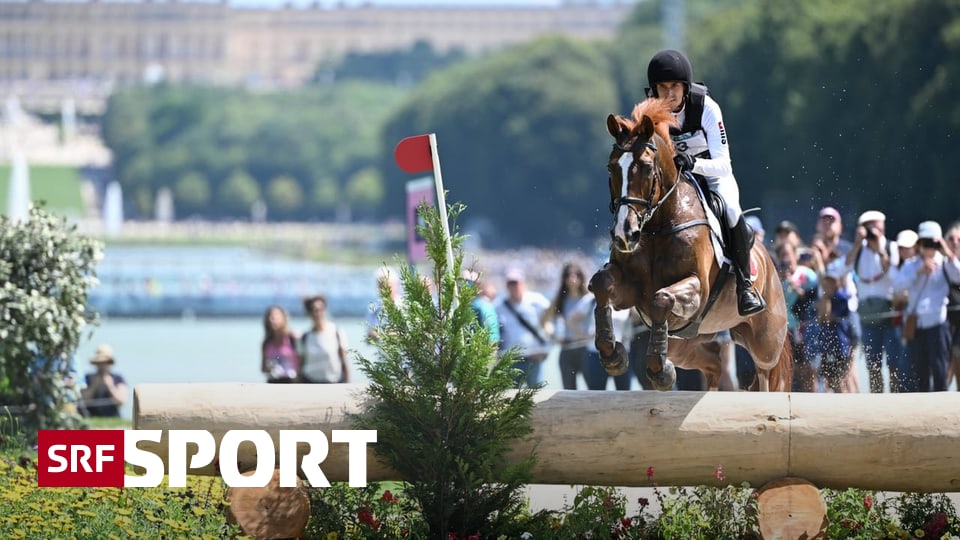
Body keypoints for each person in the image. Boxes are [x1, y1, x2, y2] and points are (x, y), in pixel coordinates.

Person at [645, 49, 764, 316]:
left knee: (731, 210)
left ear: (685, 86)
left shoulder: (707, 108)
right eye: (662, 87)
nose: (669, 93)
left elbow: (724, 164)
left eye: (674, 86)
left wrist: (694, 163)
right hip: (675, 181)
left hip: (711, 174)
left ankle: (745, 285)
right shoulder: (650, 113)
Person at [892, 221, 960, 392]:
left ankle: (941, 411)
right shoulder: (911, 265)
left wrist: (948, 253)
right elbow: (898, 287)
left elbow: (958, 277)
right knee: (919, 372)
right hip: (917, 326)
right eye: (925, 242)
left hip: (938, 324)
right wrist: (918, 272)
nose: (928, 246)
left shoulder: (946, 263)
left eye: (932, 242)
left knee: (940, 371)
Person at [844, 210, 906, 392]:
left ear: (883, 226)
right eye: (868, 225)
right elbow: (845, 268)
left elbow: (896, 278)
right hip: (867, 314)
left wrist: (880, 252)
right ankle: (876, 399)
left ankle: (895, 397)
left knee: (894, 362)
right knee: (873, 364)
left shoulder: (892, 247)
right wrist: (857, 244)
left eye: (876, 224)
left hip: (889, 312)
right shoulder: (859, 250)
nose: (872, 229)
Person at [495, 268, 551, 388]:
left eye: (516, 283)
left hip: (534, 356)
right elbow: (495, 331)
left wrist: (547, 345)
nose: (514, 287)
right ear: (506, 286)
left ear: (523, 284)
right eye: (511, 283)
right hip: (512, 359)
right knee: (510, 395)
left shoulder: (536, 300)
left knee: (537, 394)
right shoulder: (499, 306)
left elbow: (553, 317)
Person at [567, 291, 633, 390]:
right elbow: (572, 320)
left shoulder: (625, 299)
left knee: (624, 393)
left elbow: (639, 318)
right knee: (595, 392)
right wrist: (584, 335)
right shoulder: (591, 299)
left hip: (622, 353)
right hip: (596, 353)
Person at [540, 262, 589, 389]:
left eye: (576, 275)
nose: (573, 279)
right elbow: (544, 320)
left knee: (593, 390)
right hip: (566, 349)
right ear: (564, 278)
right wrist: (552, 335)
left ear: (581, 277)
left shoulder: (589, 298)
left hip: (586, 348)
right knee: (568, 391)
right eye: (569, 275)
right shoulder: (560, 299)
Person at [812, 265, 859, 393]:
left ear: (837, 282)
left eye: (831, 282)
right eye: (826, 282)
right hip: (828, 345)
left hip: (841, 346)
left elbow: (827, 317)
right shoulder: (827, 298)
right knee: (829, 381)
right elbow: (821, 319)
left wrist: (825, 299)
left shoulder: (841, 297)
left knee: (841, 380)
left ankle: (847, 407)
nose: (827, 285)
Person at [299, 295, 350, 384]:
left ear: (325, 310)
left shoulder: (336, 332)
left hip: (334, 381)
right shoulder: (305, 336)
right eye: (314, 310)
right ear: (309, 313)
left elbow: (344, 361)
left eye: (320, 309)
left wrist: (348, 383)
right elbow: (300, 364)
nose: (317, 313)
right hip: (310, 382)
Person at [80, 344, 128, 417]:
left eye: (105, 362)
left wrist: (110, 386)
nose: (101, 365)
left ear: (109, 363)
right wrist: (94, 386)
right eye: (99, 363)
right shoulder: (87, 378)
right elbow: (83, 400)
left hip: (113, 417)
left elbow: (121, 401)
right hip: (91, 416)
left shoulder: (118, 378)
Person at [261, 305, 299, 383]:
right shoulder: (266, 343)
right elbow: (263, 368)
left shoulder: (293, 338)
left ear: (284, 318)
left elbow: (302, 364)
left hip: (292, 382)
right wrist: (271, 367)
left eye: (275, 316)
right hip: (273, 381)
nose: (272, 319)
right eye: (270, 317)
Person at [463, 270, 500, 346]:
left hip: (481, 349)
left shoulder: (481, 306)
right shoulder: (461, 306)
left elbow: (491, 333)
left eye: (469, 282)